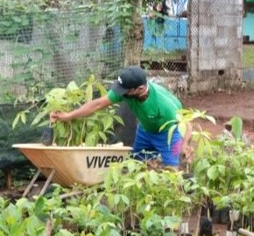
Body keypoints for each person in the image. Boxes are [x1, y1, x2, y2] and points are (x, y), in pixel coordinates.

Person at [50, 65, 189, 167]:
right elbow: (97, 104)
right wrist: (68, 116)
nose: (119, 92)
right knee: (136, 163)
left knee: (172, 171)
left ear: (139, 89)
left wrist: (185, 144)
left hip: (169, 134)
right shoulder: (125, 91)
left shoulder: (163, 104)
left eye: (124, 90)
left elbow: (187, 122)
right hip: (145, 131)